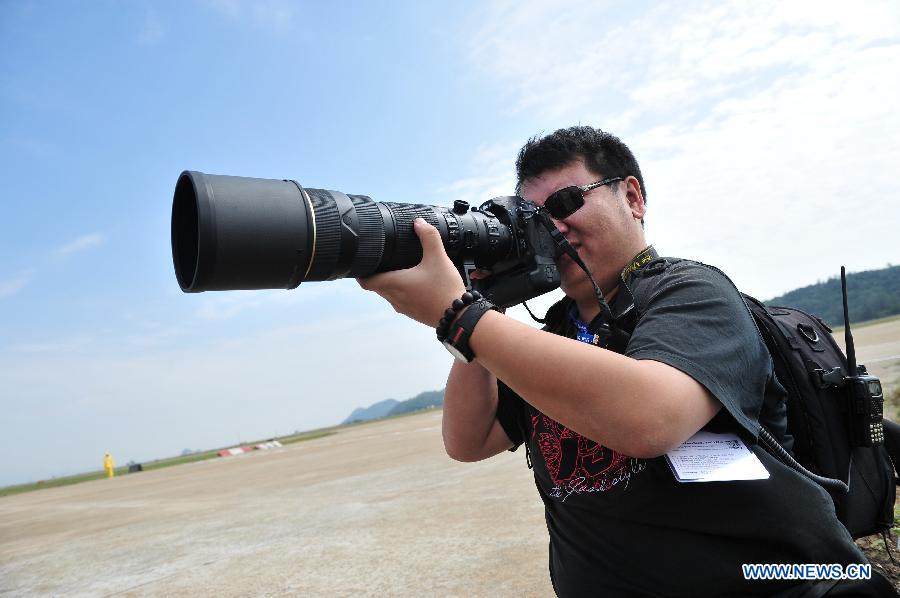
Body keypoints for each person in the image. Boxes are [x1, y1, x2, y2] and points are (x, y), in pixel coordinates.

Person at [358, 126, 895, 596]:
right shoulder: (555, 336)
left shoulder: (689, 292)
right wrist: (480, 305)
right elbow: (469, 441)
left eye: (567, 203)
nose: (554, 229)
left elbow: (650, 419)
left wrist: (462, 317)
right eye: (535, 220)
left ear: (632, 197)